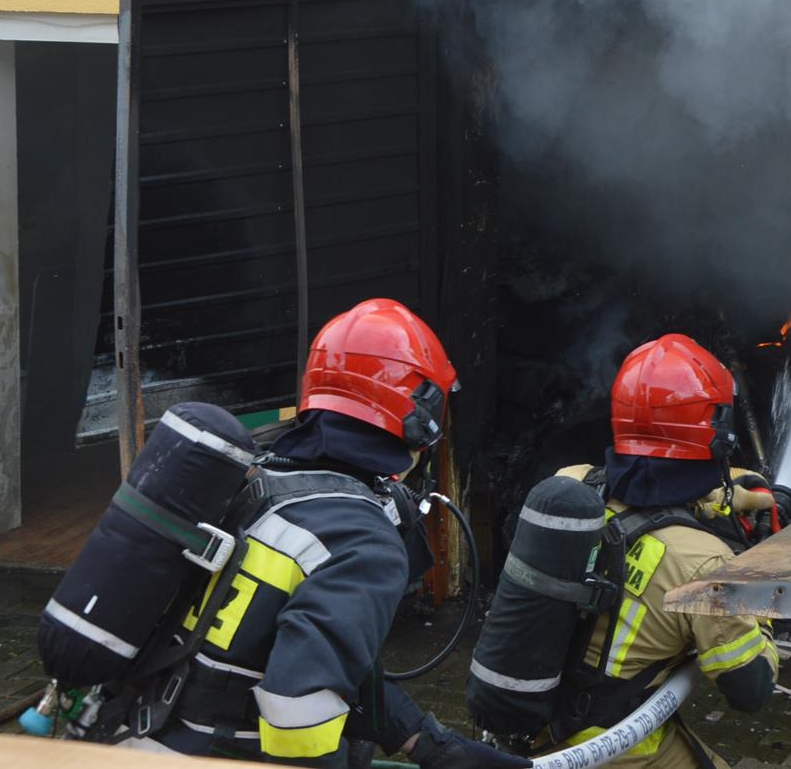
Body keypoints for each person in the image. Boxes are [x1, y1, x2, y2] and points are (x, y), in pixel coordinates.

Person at [135, 298, 527, 769]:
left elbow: (321, 658)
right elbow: (298, 719)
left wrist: (427, 743)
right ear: (420, 417)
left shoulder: (253, 484)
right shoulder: (363, 544)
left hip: (134, 735)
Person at [546, 333, 785, 769]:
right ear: (718, 435)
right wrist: (757, 602)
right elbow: (751, 691)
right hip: (617, 747)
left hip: (534, 721)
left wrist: (741, 498)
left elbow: (647, 488)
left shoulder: (569, 487)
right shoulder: (703, 563)